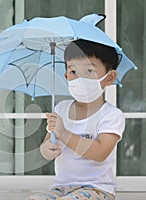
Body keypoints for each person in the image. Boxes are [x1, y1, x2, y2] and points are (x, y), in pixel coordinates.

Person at [25, 39, 125, 200]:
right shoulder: (61, 109)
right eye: (73, 72)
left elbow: (100, 153)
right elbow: (47, 144)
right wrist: (47, 149)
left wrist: (64, 133)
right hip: (61, 188)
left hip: (97, 190)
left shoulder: (111, 115)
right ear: (66, 76)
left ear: (109, 77)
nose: (80, 79)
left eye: (89, 71)